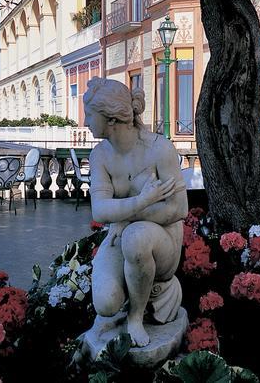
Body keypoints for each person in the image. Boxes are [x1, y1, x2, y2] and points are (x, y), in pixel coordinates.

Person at [83, 77, 187, 348]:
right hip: (122, 234)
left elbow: (179, 208)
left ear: (111, 120)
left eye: (89, 116)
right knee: (105, 303)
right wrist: (141, 202)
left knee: (136, 238)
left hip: (162, 241)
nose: (85, 123)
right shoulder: (100, 155)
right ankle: (128, 295)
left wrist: (127, 217)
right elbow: (100, 210)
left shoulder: (159, 149)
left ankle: (136, 317)